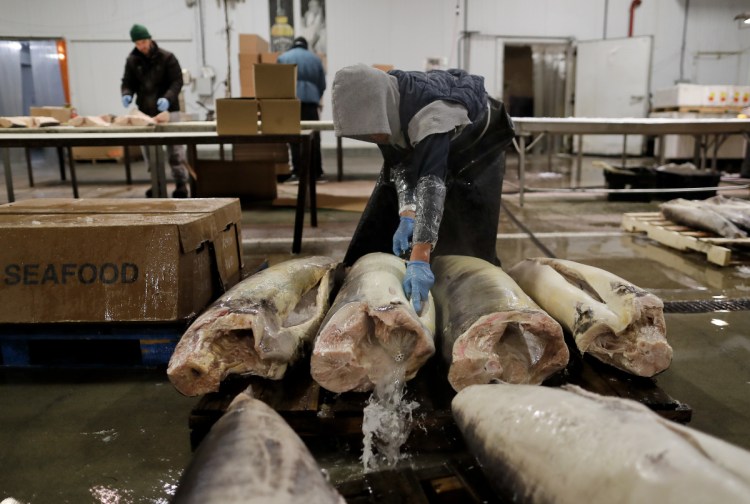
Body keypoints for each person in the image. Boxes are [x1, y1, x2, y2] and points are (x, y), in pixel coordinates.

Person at [331, 64, 515, 313]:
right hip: (434, 136)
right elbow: (400, 165)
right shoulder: (383, 113)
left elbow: (431, 183)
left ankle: (483, 304)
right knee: (387, 214)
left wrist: (420, 258)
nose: (374, 137)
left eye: (373, 132)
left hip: (480, 142)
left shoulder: (432, 116)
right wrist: (407, 213)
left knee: (468, 220)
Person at [121, 23, 190, 198]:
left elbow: (177, 81)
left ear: (150, 39)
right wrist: (127, 93)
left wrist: (167, 98)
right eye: (137, 43)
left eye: (143, 41)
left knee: (175, 150)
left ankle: (181, 184)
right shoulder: (132, 60)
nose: (141, 46)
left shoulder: (167, 58)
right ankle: (156, 183)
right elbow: (127, 82)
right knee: (149, 151)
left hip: (169, 110)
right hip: (145, 112)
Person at [277, 36, 327, 183]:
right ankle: (317, 173)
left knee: (294, 137)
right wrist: (315, 95)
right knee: (314, 137)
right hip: (311, 102)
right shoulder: (316, 59)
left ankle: (298, 173)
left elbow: (277, 81)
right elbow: (322, 84)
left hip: (291, 102)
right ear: (306, 46)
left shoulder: (283, 58)